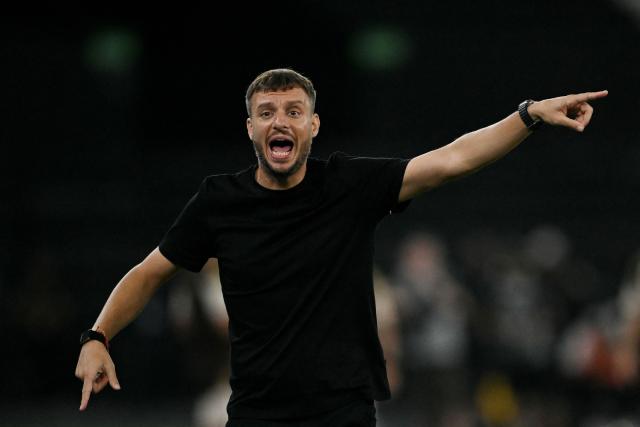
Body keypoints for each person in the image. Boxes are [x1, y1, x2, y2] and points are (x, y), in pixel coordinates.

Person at [75, 68, 607, 426]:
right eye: (266, 112)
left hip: (343, 410)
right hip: (258, 412)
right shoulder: (219, 200)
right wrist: (96, 336)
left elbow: (450, 160)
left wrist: (529, 114)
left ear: (313, 125)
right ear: (250, 129)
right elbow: (148, 273)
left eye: (292, 111)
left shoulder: (348, 185)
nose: (279, 121)